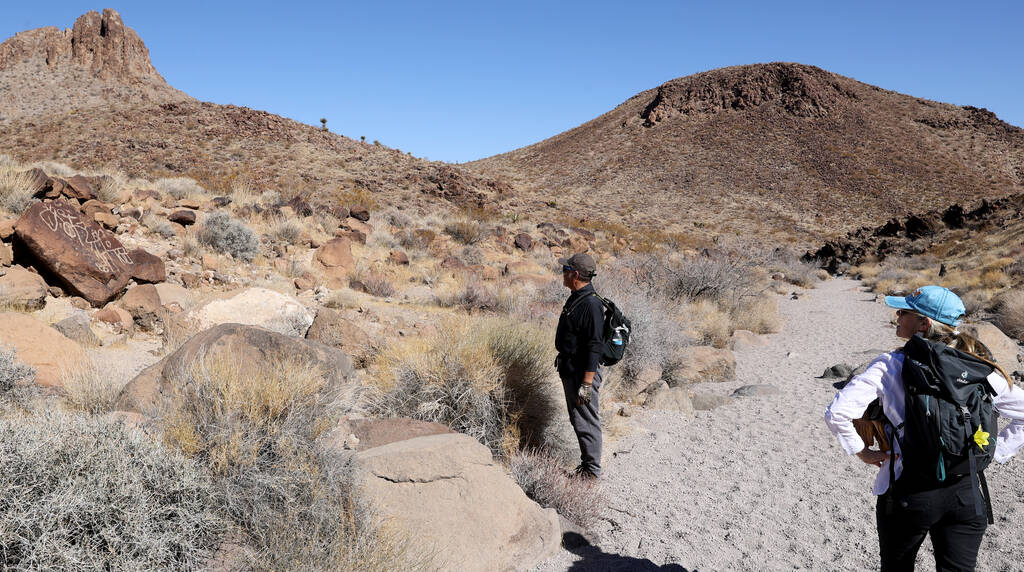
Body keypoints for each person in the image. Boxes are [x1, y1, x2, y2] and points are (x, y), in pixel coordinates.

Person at [825, 286, 1024, 571]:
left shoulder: (891, 366)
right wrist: (995, 451)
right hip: (966, 492)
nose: (897, 316)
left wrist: (862, 451)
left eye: (904, 312)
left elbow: (838, 413)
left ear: (924, 324)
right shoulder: (981, 369)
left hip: (909, 492)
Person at [555, 252, 605, 480]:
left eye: (565, 269)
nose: (562, 273)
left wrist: (587, 383)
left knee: (586, 419)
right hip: (571, 369)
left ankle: (591, 473)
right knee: (578, 418)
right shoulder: (577, 296)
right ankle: (586, 466)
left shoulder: (592, 304)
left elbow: (595, 346)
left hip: (583, 374)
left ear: (575, 274)